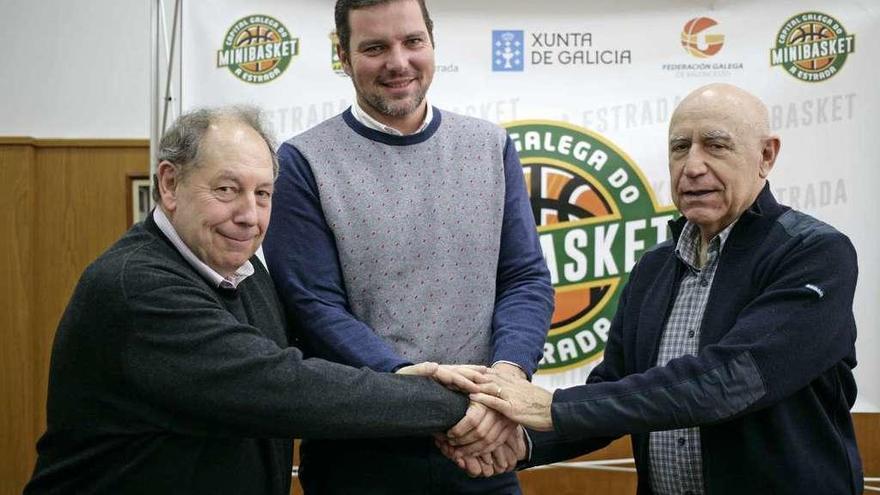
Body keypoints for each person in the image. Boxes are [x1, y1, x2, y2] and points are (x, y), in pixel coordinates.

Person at [24, 106, 487, 495]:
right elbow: (283, 387)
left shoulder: (243, 270)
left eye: (262, 194)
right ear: (169, 185)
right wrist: (469, 408)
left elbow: (306, 358)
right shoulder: (136, 287)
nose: (249, 216)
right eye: (227, 189)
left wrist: (403, 374)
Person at [466, 83, 863, 494]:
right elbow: (613, 389)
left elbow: (731, 380)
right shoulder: (654, 268)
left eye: (715, 146)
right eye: (679, 148)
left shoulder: (815, 253)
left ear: (766, 156)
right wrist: (520, 442)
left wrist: (553, 408)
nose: (692, 166)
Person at [261, 0, 554, 491]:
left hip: (483, 448)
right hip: (361, 457)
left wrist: (506, 382)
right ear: (343, 55)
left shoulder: (489, 146)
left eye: (412, 41)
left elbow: (524, 278)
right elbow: (314, 306)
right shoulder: (302, 161)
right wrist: (424, 393)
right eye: (375, 47)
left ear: (432, 43)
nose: (398, 62)